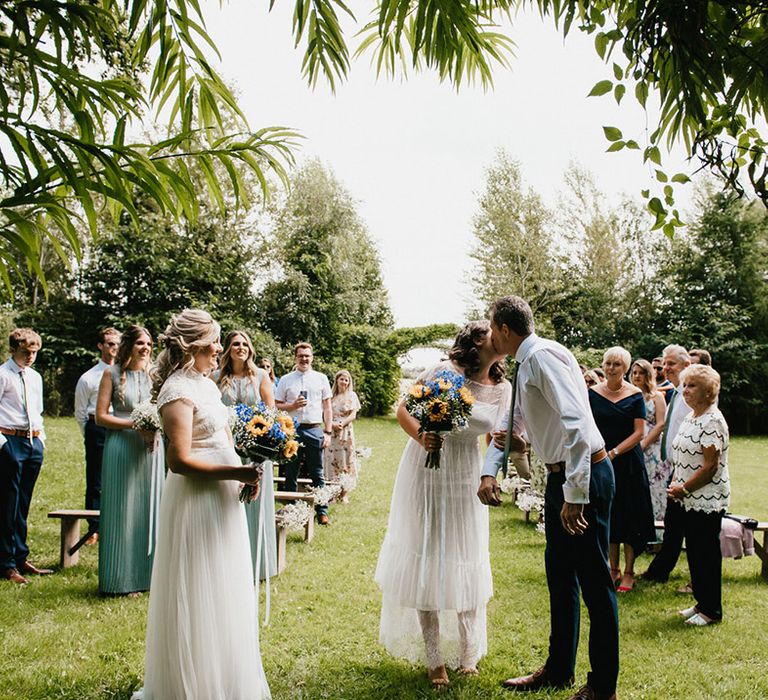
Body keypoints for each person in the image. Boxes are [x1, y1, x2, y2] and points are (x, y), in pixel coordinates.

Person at [479, 296, 618, 700]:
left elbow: (575, 422)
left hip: (584, 475)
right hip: (564, 478)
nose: (489, 335)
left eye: (492, 328)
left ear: (504, 329)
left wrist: (575, 493)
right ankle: (559, 670)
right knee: (560, 575)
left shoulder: (542, 357)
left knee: (594, 582)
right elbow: (515, 423)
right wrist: (492, 468)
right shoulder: (529, 361)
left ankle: (603, 686)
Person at [132, 309, 270, 700]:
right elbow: (178, 461)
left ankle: (226, 678)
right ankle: (192, 684)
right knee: (198, 588)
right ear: (192, 346)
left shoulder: (207, 385)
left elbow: (223, 441)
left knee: (226, 587)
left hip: (224, 501)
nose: (219, 347)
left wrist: (248, 467)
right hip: (195, 502)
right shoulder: (177, 390)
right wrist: (235, 475)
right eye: (213, 341)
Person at [376, 320, 510, 689]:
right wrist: (422, 437)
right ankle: (435, 660)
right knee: (428, 553)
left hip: (468, 471)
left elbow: (496, 440)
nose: (497, 338)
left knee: (467, 554)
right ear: (474, 342)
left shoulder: (503, 388)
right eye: (489, 334)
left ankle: (468, 654)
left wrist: (491, 475)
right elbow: (403, 408)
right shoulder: (441, 371)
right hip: (428, 468)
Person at [96, 325, 158, 595]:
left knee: (148, 508)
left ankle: (148, 577)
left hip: (150, 448)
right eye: (140, 343)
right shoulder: (111, 373)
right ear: (129, 346)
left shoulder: (154, 376)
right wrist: (135, 424)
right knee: (123, 510)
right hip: (121, 446)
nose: (145, 348)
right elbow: (100, 416)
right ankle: (120, 579)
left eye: (148, 344)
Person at [589, 348, 655, 593]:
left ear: (625, 368)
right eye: (608, 363)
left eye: (617, 364)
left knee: (629, 515)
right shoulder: (592, 394)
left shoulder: (635, 394)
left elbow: (639, 432)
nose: (611, 368)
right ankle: (612, 567)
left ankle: (629, 571)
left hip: (627, 462)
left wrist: (614, 452)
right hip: (599, 459)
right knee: (608, 513)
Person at [669, 364, 729, 626]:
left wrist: (684, 488)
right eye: (685, 385)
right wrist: (676, 482)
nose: (686, 390)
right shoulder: (692, 416)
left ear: (708, 392)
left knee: (706, 554)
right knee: (694, 552)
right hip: (687, 497)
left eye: (692, 385)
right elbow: (681, 454)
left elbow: (710, 466)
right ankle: (701, 602)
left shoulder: (713, 420)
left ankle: (712, 610)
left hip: (706, 498)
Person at [215, 330, 277, 582]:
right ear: (228, 349)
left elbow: (271, 411)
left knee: (256, 501)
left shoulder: (261, 376)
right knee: (228, 501)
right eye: (235, 344)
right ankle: (230, 563)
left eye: (245, 344)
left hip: (257, 448)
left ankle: (258, 563)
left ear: (250, 349)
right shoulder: (216, 377)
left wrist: (261, 440)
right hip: (226, 447)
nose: (241, 347)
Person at [0, 328, 51, 585]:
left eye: (34, 352)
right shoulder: (2, 375)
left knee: (23, 504)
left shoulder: (34, 377)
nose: (30, 356)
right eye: (25, 352)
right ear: (13, 350)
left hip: (32, 441)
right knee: (8, 503)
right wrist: (3, 445)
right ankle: (6, 563)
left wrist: (40, 439)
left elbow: (37, 409)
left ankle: (21, 557)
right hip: (9, 440)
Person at [640, 345, 691, 584]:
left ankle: (689, 579)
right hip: (675, 469)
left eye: (671, 364)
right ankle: (659, 570)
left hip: (688, 470)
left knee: (684, 526)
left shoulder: (690, 395)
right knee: (673, 524)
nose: (665, 368)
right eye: (665, 363)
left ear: (686, 366)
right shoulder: (678, 393)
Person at [274, 342, 332, 525]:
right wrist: (292, 406)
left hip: (315, 429)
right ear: (295, 357)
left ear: (312, 357)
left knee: (318, 472)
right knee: (291, 471)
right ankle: (291, 508)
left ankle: (322, 511)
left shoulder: (321, 378)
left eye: (307, 355)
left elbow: (327, 407)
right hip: (293, 429)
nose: (304, 359)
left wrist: (328, 432)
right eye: (301, 356)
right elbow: (276, 404)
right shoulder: (286, 379)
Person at [74, 327, 121, 543]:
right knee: (96, 478)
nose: (114, 348)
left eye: (117, 344)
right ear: (100, 346)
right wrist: (90, 434)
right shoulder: (88, 378)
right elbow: (81, 412)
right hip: (96, 428)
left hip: (120, 426)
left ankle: (116, 522)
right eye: (110, 343)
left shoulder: (124, 374)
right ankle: (94, 528)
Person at [630, 359, 668, 525]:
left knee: (656, 488)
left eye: (641, 373)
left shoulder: (656, 396)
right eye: (634, 373)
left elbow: (661, 423)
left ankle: (658, 534)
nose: (637, 376)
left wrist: (644, 444)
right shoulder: (629, 394)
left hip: (653, 448)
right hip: (632, 445)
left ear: (648, 375)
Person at [326, 369, 361, 502]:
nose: (344, 382)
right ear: (337, 380)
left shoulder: (352, 396)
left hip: (346, 432)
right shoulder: (330, 396)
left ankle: (344, 493)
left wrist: (342, 423)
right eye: (342, 379)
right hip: (332, 431)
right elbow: (325, 413)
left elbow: (353, 414)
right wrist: (332, 425)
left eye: (346, 380)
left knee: (346, 460)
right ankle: (333, 492)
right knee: (332, 460)